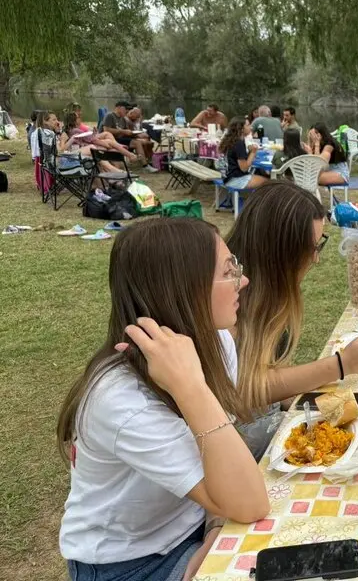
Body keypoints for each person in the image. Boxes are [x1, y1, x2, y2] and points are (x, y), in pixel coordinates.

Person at [58, 218, 269, 581]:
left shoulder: (218, 343)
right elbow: (250, 502)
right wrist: (191, 388)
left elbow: (222, 465)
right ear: (184, 290)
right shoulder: (121, 400)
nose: (243, 280)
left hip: (195, 521)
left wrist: (216, 528)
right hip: (129, 565)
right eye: (228, 271)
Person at [226, 182, 358, 458]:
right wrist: (340, 364)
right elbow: (244, 390)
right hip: (238, 444)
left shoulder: (268, 294)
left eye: (319, 244)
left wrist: (315, 403)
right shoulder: (227, 298)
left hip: (263, 420)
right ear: (279, 251)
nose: (315, 258)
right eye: (311, 247)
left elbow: (272, 380)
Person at [101, 101, 157, 172]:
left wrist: (134, 134)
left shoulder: (123, 119)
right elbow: (106, 130)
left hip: (120, 138)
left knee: (139, 142)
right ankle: (142, 163)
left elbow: (125, 131)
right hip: (111, 140)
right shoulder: (110, 116)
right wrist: (123, 131)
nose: (127, 111)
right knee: (138, 142)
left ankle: (146, 165)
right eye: (126, 109)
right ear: (119, 108)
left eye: (128, 109)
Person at [219, 117, 268, 192]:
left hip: (226, 177)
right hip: (235, 180)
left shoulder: (231, 140)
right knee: (269, 182)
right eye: (248, 125)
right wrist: (253, 152)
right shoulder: (238, 143)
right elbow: (244, 168)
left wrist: (250, 151)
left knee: (262, 177)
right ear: (241, 129)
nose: (251, 127)